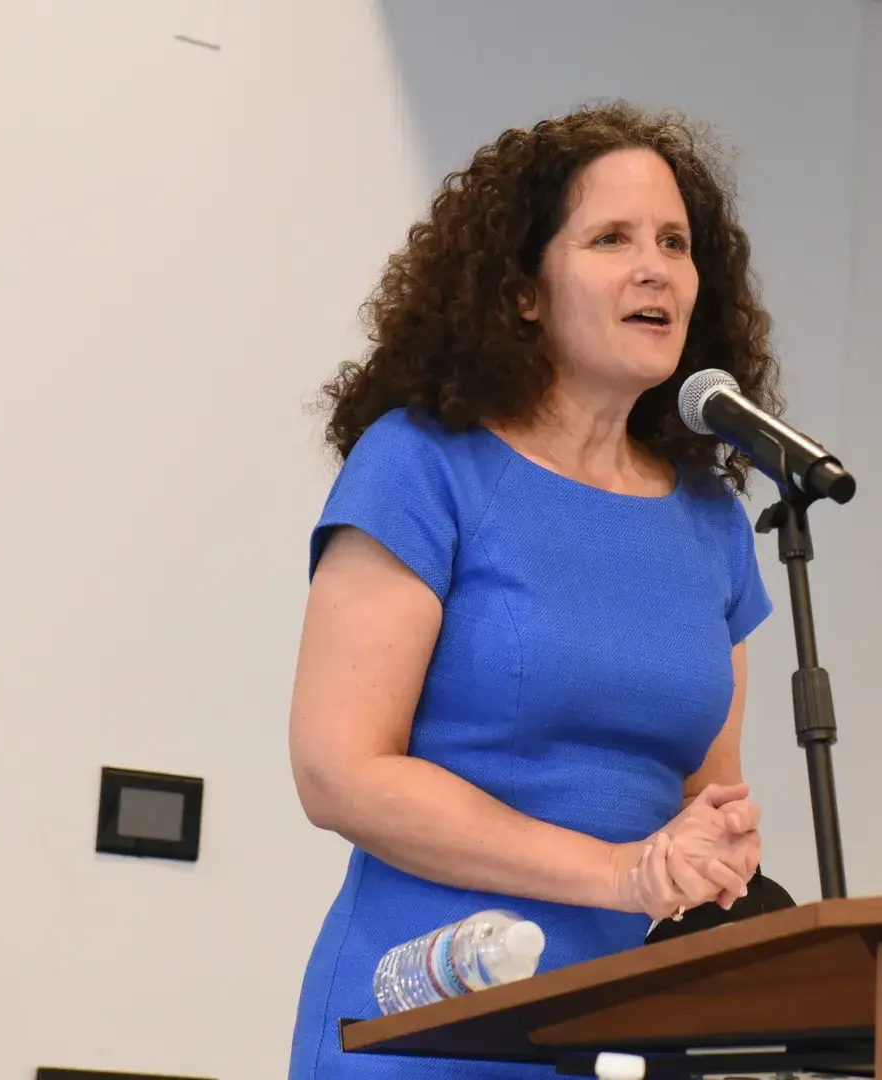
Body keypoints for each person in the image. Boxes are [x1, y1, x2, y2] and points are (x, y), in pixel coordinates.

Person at [285, 102, 782, 1078]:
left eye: (675, 244)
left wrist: (714, 848)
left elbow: (701, 801)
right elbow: (336, 771)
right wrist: (614, 871)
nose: (657, 269)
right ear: (522, 292)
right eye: (612, 239)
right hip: (426, 1015)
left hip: (626, 1031)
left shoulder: (710, 521)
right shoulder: (423, 467)